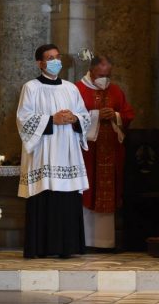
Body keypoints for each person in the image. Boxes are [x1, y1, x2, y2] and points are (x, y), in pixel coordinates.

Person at [16, 44, 91, 258]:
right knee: (45, 194)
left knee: (66, 198)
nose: (55, 61)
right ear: (40, 63)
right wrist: (51, 120)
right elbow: (23, 119)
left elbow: (84, 115)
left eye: (57, 57)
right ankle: (41, 247)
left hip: (67, 151)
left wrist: (75, 119)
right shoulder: (31, 88)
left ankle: (68, 247)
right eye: (50, 58)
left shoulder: (70, 88)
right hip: (43, 151)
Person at [75, 55, 135, 249]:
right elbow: (73, 115)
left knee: (107, 193)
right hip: (87, 151)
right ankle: (84, 240)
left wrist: (115, 115)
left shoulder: (116, 90)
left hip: (111, 150)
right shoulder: (78, 89)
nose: (105, 78)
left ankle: (104, 242)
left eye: (108, 74)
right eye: (101, 73)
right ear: (91, 71)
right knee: (87, 190)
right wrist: (95, 115)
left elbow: (128, 114)